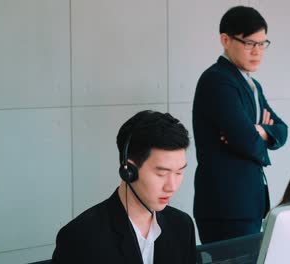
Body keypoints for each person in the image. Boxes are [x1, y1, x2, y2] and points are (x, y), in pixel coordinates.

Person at [192, 5, 288, 244]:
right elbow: (245, 140)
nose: (257, 52)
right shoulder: (217, 81)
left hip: (247, 202)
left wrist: (260, 130)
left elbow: (282, 130)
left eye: (262, 43)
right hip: (225, 206)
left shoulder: (251, 84)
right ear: (225, 40)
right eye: (249, 43)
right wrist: (254, 133)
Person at [52, 110, 196, 264]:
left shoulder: (182, 226)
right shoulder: (80, 237)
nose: (172, 186)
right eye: (161, 174)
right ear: (128, 170)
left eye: (179, 173)